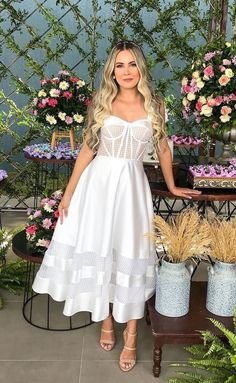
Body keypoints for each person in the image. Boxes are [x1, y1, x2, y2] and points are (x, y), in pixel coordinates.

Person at [32, 40, 201, 372]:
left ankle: (133, 334)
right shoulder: (102, 103)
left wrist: (171, 185)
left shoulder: (156, 105)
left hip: (132, 189)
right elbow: (87, 150)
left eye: (132, 64)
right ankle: (107, 320)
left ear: (141, 68)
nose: (126, 71)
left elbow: (163, 149)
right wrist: (68, 195)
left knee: (132, 252)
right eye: (119, 65)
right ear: (112, 70)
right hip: (98, 186)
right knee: (103, 249)